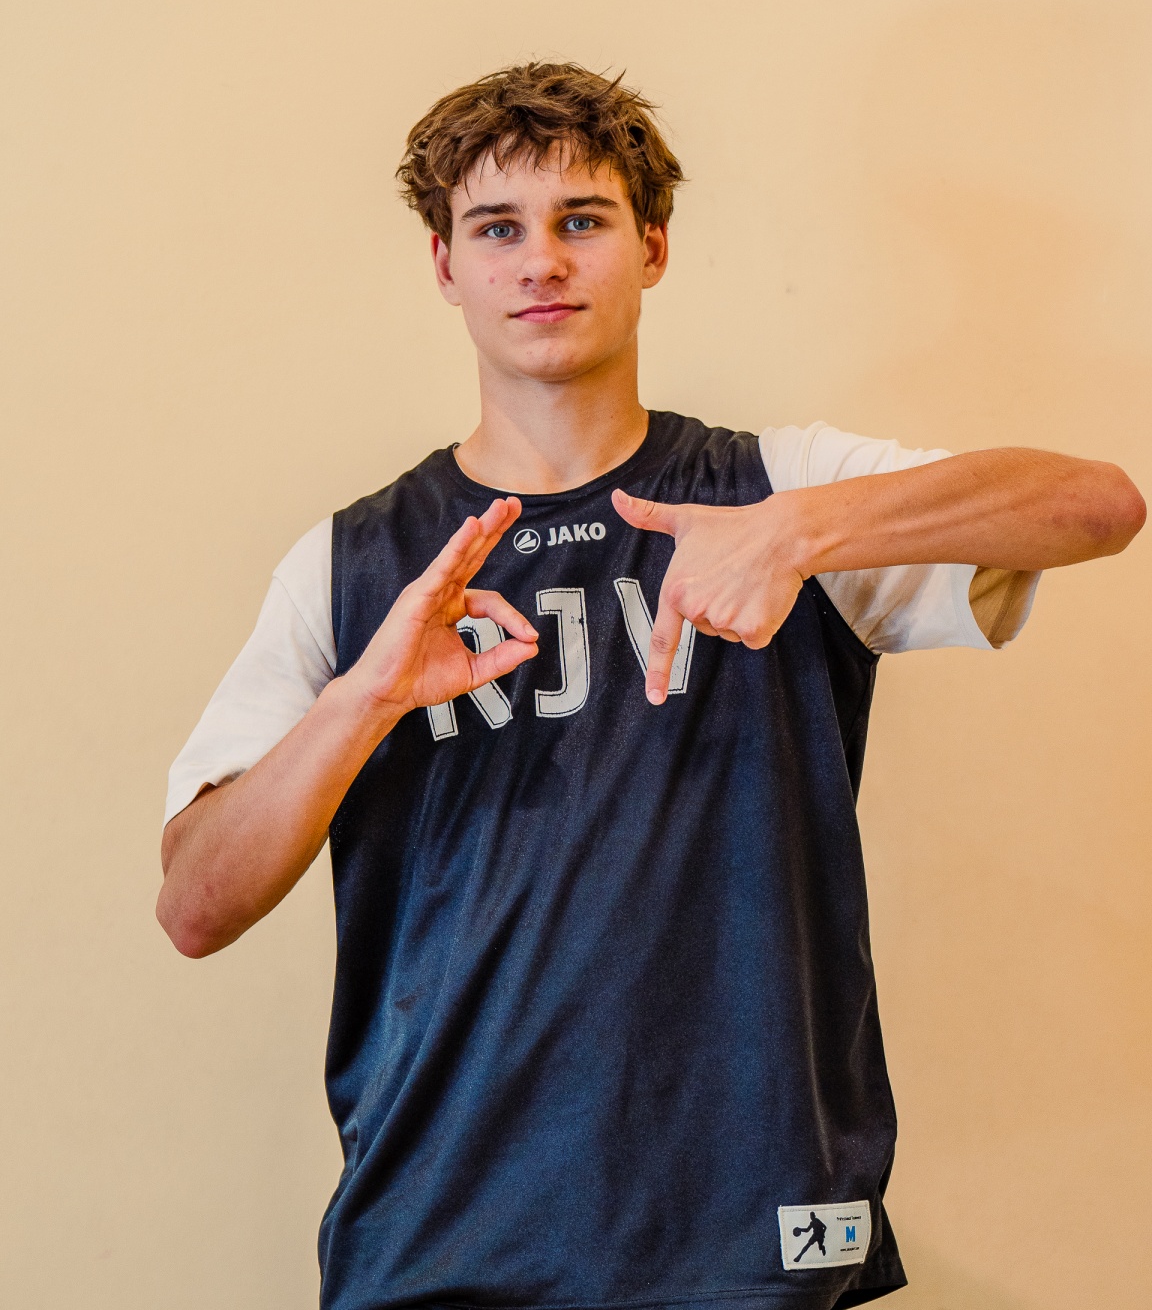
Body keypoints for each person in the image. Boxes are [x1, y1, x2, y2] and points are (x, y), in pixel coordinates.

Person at [157, 63, 1144, 1310]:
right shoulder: (353, 563)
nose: (540, 261)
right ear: (445, 265)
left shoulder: (777, 488)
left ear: (654, 247)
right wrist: (362, 700)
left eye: (583, 220)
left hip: (746, 1228)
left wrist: (799, 532)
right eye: (497, 229)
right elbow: (195, 905)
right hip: (440, 1235)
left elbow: (1096, 505)